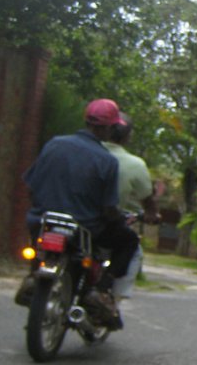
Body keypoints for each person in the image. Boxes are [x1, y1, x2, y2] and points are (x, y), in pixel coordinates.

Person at [17, 99, 139, 328]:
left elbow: (31, 186)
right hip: (83, 229)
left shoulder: (54, 144)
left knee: (38, 240)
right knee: (129, 240)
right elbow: (108, 208)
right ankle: (101, 290)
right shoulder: (107, 162)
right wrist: (119, 218)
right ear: (110, 128)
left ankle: (34, 274)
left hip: (42, 220)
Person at [103, 112, 161, 299]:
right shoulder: (134, 164)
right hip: (100, 224)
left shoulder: (83, 151)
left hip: (63, 214)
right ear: (128, 137)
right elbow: (148, 200)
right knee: (132, 246)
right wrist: (152, 213)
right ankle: (111, 296)